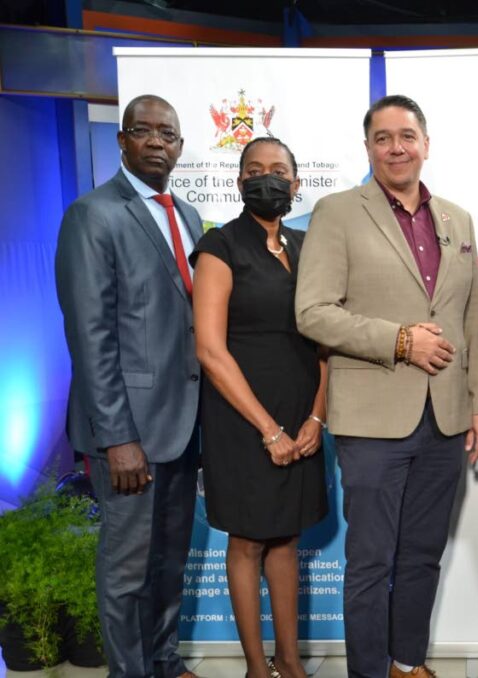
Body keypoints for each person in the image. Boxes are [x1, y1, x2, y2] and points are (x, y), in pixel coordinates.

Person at [294, 94, 478, 678]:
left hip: (446, 418)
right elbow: (313, 313)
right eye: (383, 138)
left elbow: (472, 318)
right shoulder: (336, 212)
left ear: (426, 144)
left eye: (406, 136)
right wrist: (401, 340)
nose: (396, 147)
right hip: (372, 418)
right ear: (368, 148)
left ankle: (408, 664)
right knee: (372, 562)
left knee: (423, 555)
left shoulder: (457, 218)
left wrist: (476, 406)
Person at [55, 94, 202, 678]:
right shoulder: (93, 214)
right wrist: (118, 437)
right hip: (128, 433)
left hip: (181, 424)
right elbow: (89, 336)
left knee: (169, 562)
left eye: (167, 134)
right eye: (143, 131)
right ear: (122, 140)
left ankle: (162, 661)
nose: (157, 142)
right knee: (126, 569)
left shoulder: (185, 216)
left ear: (181, 146)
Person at [190, 137, 328, 678]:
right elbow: (209, 349)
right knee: (247, 539)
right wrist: (269, 430)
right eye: (254, 170)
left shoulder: (307, 247)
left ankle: (290, 662)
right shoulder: (220, 247)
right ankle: (255, 667)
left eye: (277, 171)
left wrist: (316, 416)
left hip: (303, 418)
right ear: (238, 182)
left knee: (286, 537)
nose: (265, 179)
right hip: (242, 420)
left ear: (296, 184)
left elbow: (326, 341)